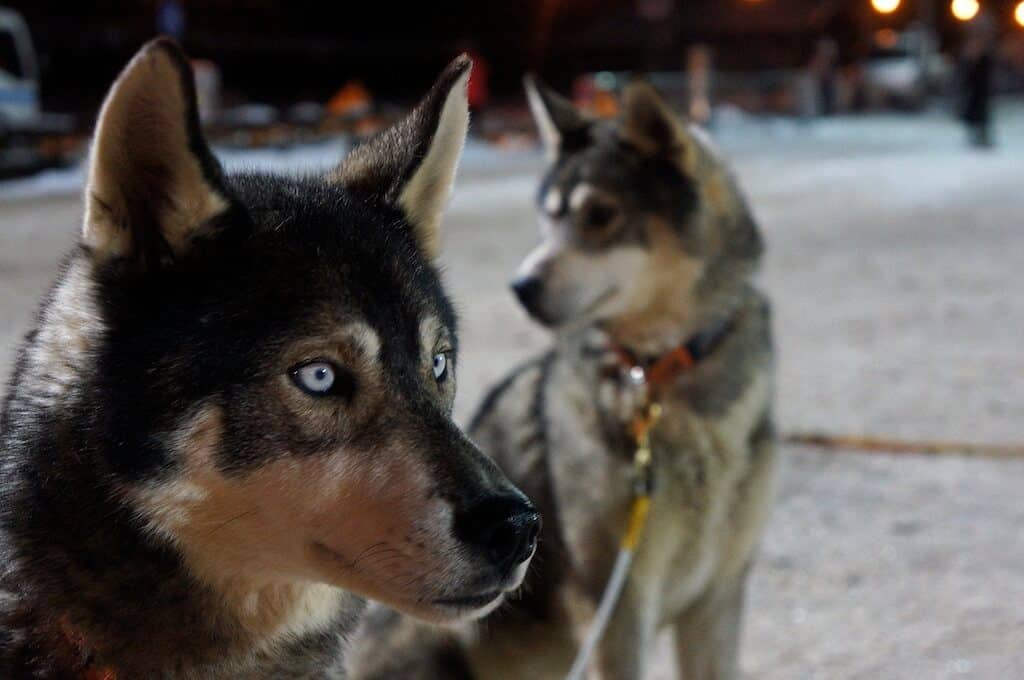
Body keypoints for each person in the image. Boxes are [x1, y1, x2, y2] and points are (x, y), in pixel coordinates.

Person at [958, 13, 997, 148]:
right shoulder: (972, 50)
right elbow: (967, 73)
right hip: (975, 91)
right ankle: (977, 135)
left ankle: (982, 135)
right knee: (976, 110)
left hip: (982, 90)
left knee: (982, 111)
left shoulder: (986, 51)